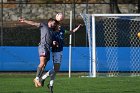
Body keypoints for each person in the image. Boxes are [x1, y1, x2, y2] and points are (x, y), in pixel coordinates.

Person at [39, 13, 82, 93]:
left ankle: (51, 86)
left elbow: (70, 32)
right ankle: (43, 78)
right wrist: (53, 42)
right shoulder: (52, 32)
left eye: (59, 25)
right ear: (55, 26)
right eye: (58, 25)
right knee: (56, 69)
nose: (59, 26)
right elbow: (49, 41)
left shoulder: (62, 30)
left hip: (60, 51)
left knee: (56, 70)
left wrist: (76, 29)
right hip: (56, 52)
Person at [18, 17, 58, 87]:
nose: (55, 25)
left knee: (44, 65)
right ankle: (36, 78)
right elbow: (33, 23)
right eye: (54, 23)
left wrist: (54, 43)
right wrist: (24, 20)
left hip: (48, 48)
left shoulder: (52, 31)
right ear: (50, 21)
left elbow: (50, 41)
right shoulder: (43, 25)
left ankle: (38, 79)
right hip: (43, 46)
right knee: (42, 63)